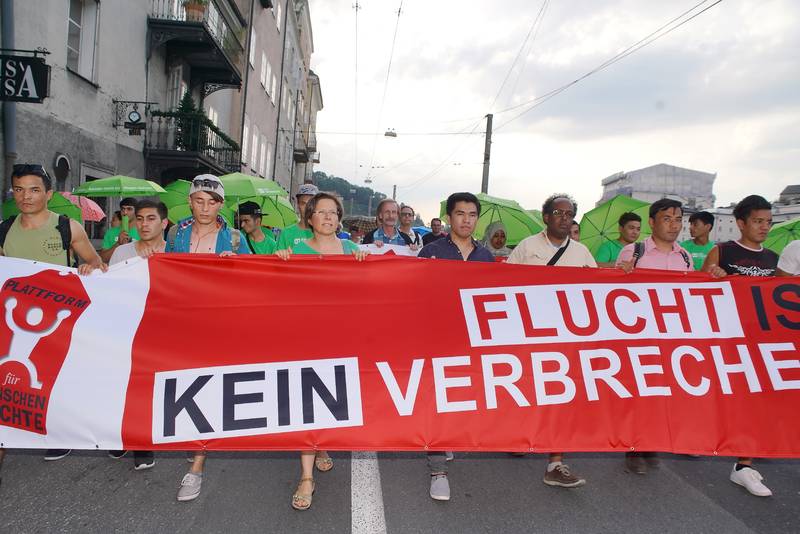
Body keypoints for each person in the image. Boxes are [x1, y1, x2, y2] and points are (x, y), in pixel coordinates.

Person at [0, 163, 107, 462]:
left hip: (58, 320)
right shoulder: (3, 229)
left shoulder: (66, 226)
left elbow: (97, 264)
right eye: (19, 190)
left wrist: (88, 268)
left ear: (48, 193)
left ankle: (61, 432)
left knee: (56, 379)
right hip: (14, 319)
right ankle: (5, 439)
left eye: (34, 190)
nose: (26, 197)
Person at [275, 192, 367, 510]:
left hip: (341, 340)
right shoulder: (294, 250)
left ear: (339, 219)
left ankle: (321, 442)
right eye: (322, 212)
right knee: (306, 404)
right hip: (303, 339)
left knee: (329, 401)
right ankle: (306, 477)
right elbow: (271, 290)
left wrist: (364, 268)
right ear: (310, 218)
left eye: (334, 212)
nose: (328, 217)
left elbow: (371, 293)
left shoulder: (354, 251)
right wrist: (281, 263)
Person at [165, 174, 249, 502]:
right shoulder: (176, 233)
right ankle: (195, 439)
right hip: (182, 321)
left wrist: (235, 266)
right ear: (190, 201)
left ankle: (196, 467)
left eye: (211, 201)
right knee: (185, 384)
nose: (204, 207)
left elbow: (248, 280)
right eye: (199, 200)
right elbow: (166, 271)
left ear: (220, 204)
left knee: (208, 386)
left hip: (217, 322)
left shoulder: (235, 239)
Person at [507, 194, 594, 489]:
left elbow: (598, 290)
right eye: (558, 212)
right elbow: (500, 282)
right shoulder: (527, 248)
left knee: (560, 395)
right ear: (546, 217)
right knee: (525, 387)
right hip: (526, 333)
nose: (564, 217)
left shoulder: (582, 253)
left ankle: (555, 463)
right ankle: (519, 433)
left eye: (569, 213)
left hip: (565, 338)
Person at [417, 192, 493, 501]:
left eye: (472, 214)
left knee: (462, 398)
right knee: (437, 400)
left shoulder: (486, 257)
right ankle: (438, 471)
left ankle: (449, 438)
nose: (466, 220)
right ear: (449, 217)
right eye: (460, 213)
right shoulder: (431, 251)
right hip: (436, 339)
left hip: (472, 341)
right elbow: (413, 293)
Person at [701, 195, 778, 497]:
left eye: (769, 222)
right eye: (759, 221)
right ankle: (740, 462)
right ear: (741, 222)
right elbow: (696, 291)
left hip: (762, 343)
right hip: (729, 342)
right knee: (736, 404)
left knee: (757, 404)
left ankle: (743, 465)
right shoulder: (722, 251)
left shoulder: (774, 258)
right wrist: (712, 276)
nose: (765, 227)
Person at [616, 198, 693, 474]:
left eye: (678, 219)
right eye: (667, 219)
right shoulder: (634, 252)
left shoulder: (685, 257)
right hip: (638, 336)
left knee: (661, 392)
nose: (673, 225)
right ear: (652, 222)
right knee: (639, 392)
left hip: (670, 336)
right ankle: (634, 447)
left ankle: (651, 442)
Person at [105, 200, 169, 470]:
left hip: (161, 330)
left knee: (149, 389)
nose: (144, 224)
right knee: (124, 386)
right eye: (139, 219)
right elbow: (110, 287)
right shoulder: (122, 252)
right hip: (129, 327)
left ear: (163, 223)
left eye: (151, 218)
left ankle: (143, 444)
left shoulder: (175, 252)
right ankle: (121, 436)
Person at [276, 183, 318, 250]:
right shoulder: (286, 233)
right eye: (303, 203)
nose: (307, 208)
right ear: (298, 205)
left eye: (311, 204)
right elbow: (277, 259)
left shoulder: (322, 233)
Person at [99, 197, 140, 263]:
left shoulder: (142, 232)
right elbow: (102, 259)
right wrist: (118, 243)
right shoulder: (111, 232)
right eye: (123, 209)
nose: (125, 212)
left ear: (137, 212)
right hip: (115, 271)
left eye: (129, 209)